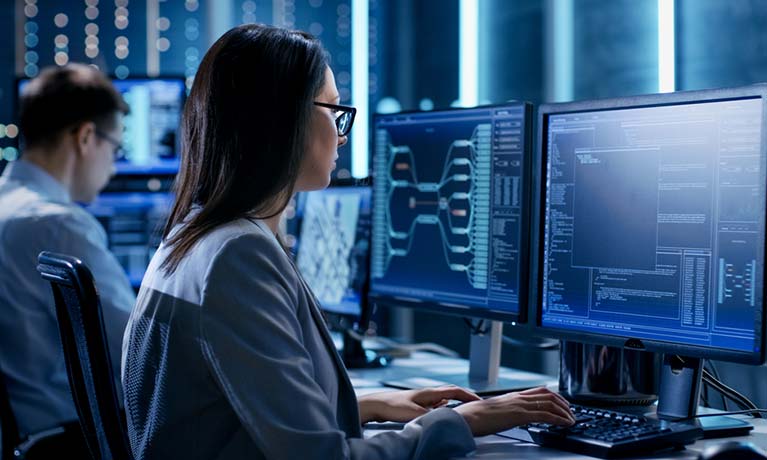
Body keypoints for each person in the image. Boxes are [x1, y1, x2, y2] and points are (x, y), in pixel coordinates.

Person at [121, 23, 574, 460]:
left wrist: (366, 404)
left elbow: (229, 412)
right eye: (333, 110)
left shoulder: (192, 235)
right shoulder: (237, 254)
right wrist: (460, 422)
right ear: (282, 119)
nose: (342, 135)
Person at [0, 64, 135, 448]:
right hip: (74, 441)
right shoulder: (57, 224)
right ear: (86, 136)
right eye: (116, 148)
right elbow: (138, 353)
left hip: (32, 439)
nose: (112, 166)